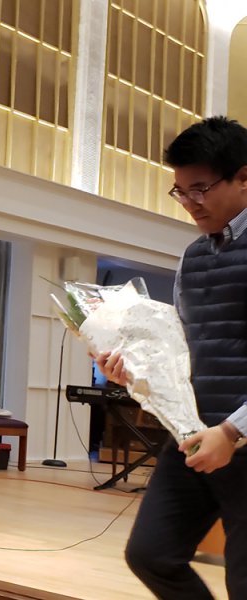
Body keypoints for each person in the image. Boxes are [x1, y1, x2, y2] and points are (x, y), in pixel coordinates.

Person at [97, 116, 247, 599]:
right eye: (180, 191)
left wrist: (233, 431)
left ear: (244, 177)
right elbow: (178, 347)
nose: (189, 202)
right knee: (151, 555)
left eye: (200, 188)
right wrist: (132, 369)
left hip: (238, 437)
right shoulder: (193, 255)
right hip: (192, 434)